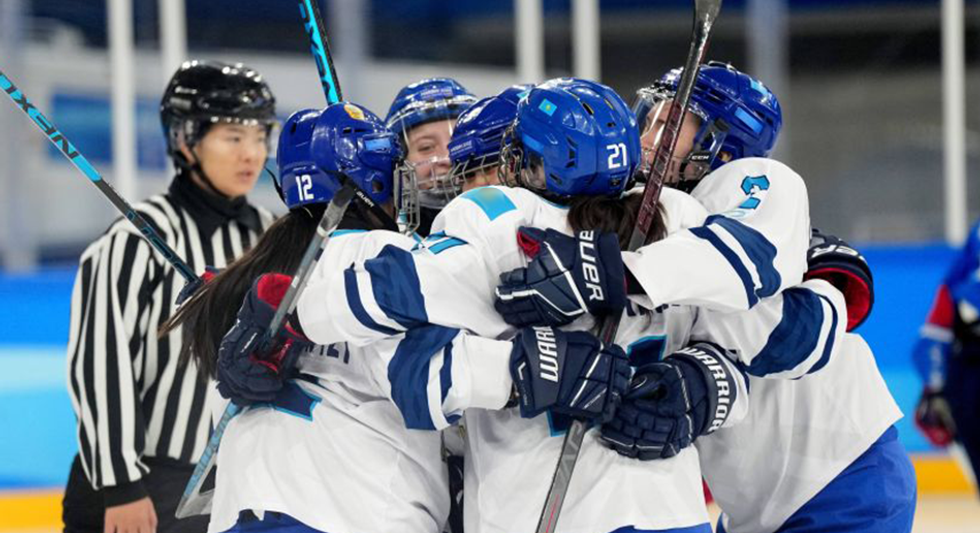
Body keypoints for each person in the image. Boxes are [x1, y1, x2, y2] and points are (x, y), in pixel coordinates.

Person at [270, 78, 848, 533]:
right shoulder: (680, 219)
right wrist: (713, 385)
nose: (456, 185)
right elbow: (792, 339)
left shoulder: (495, 220)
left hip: (537, 515)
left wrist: (282, 317)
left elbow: (399, 361)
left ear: (522, 163)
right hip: (670, 515)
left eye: (476, 166)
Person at [173, 100, 630, 533]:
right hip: (356, 512)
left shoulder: (241, 281)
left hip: (243, 509)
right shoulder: (387, 255)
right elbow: (427, 380)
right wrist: (537, 368)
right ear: (371, 183)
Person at [495, 63, 914, 532]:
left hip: (844, 477)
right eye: (650, 118)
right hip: (751, 508)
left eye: (670, 123)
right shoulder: (651, 212)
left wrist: (609, 275)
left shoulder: (751, 181)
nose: (648, 137)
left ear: (722, 143)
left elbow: (791, 328)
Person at [63, 60, 277, 533]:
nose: (252, 153)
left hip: (232, 480)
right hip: (142, 484)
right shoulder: (134, 240)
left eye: (260, 136)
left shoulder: (269, 235)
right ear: (185, 140)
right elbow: (101, 365)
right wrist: (121, 487)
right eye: (233, 137)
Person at [913, 218, 980, 495]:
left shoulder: (958, 284)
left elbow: (930, 341)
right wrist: (935, 389)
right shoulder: (958, 286)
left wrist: (935, 388)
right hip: (968, 381)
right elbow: (932, 339)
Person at [385, 77, 476, 236]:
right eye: (426, 147)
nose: (447, 158)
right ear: (399, 161)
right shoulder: (385, 242)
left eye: (459, 141)